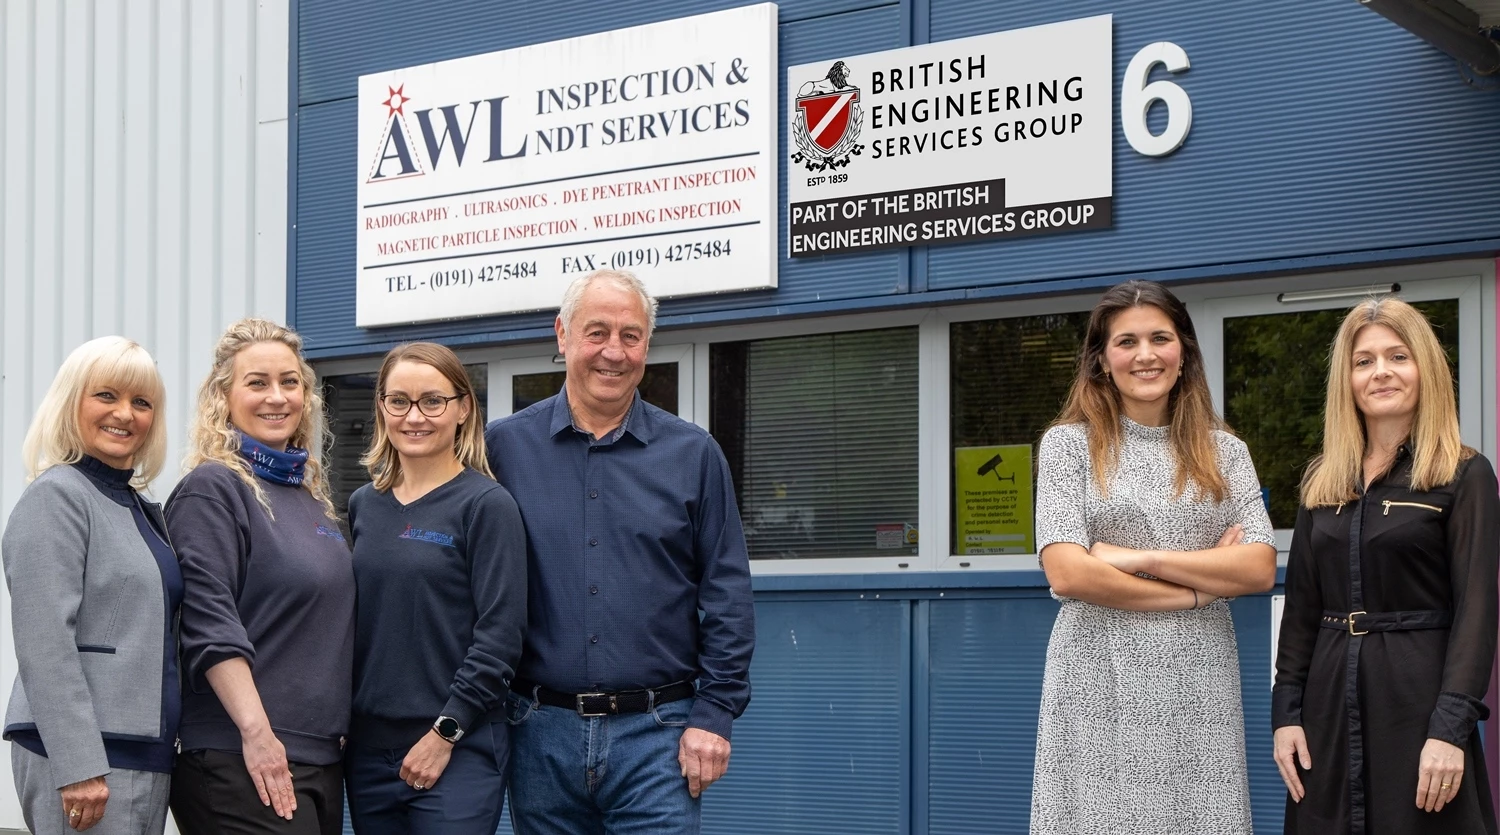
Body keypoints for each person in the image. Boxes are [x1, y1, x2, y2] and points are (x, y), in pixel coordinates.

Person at [486, 269, 756, 835]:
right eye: (597, 332)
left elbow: (727, 594)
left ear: (647, 346)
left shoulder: (693, 454)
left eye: (630, 336)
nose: (614, 351)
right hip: (538, 734)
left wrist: (715, 714)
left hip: (659, 737)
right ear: (562, 336)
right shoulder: (502, 449)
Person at [1029, 280, 1277, 834]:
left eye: (1160, 338)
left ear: (1184, 350)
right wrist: (1200, 589)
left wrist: (1133, 558)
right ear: (1100, 359)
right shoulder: (1068, 444)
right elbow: (1067, 571)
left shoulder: (1226, 452)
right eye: (1127, 342)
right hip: (1098, 675)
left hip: (1199, 676)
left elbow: (1259, 565)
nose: (1145, 355)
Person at [1273, 297, 1498, 834]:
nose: (1381, 373)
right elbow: (1302, 608)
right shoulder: (1322, 482)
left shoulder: (1464, 476)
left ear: (1425, 367)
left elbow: (1477, 611)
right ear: (1346, 381)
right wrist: (1286, 714)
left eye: (1397, 356)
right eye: (1363, 361)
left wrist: (1450, 728)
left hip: (1416, 706)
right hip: (1326, 707)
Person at [165, 319, 354, 834]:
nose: (277, 397)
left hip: (315, 757)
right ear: (223, 397)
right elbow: (209, 624)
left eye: (290, 382)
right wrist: (257, 733)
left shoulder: (309, 497)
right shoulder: (213, 489)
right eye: (257, 382)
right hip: (242, 754)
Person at [344, 341, 527, 834]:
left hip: (457, 748)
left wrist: (445, 733)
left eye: (432, 400)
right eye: (398, 400)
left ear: (463, 408)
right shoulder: (364, 505)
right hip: (368, 754)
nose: (414, 416)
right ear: (382, 408)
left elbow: (500, 636)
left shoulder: (486, 505)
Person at [2, 336, 177, 834]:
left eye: (141, 402)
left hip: (142, 751)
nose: (125, 413)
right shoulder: (57, 497)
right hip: (89, 758)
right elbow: (44, 642)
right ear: (71, 401)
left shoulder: (139, 508)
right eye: (106, 395)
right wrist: (78, 764)